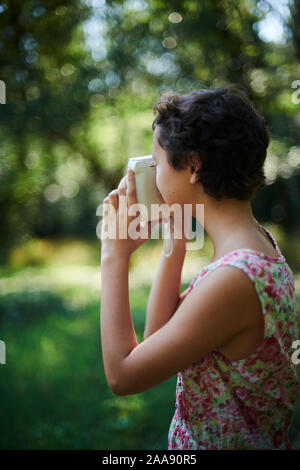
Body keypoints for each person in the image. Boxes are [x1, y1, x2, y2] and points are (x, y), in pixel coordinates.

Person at [100, 83, 300, 450]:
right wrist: (175, 241)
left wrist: (114, 256)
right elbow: (159, 334)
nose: (154, 176)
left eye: (156, 163)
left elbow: (123, 375)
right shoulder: (253, 244)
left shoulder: (235, 277)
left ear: (193, 165)